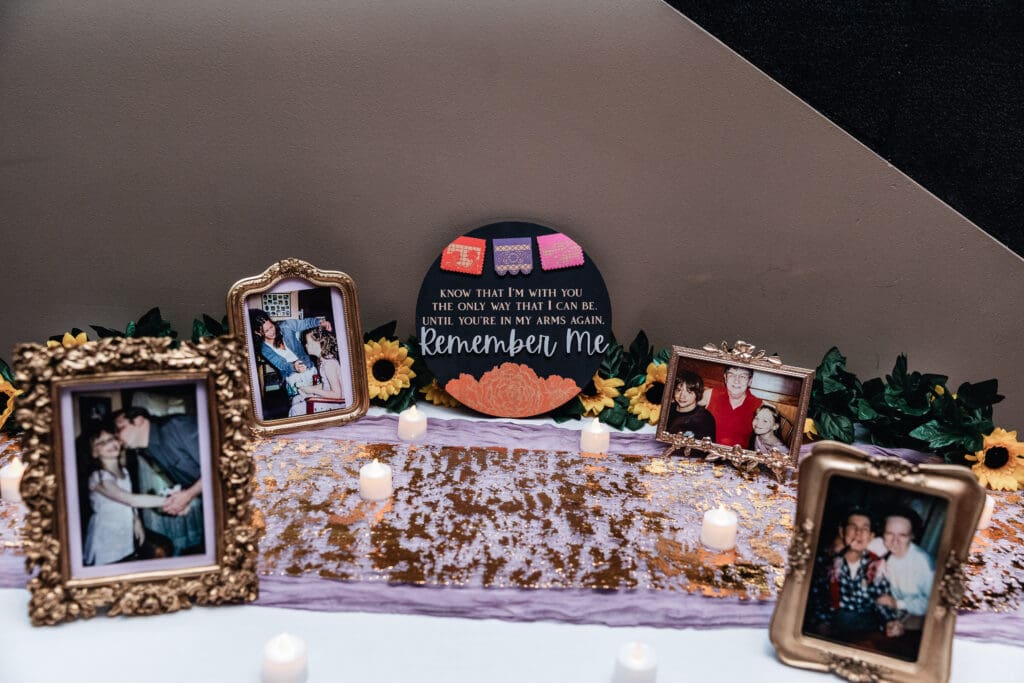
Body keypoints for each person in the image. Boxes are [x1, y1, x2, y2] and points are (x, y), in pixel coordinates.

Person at [113, 407, 204, 555]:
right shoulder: (148, 451)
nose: (117, 436)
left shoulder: (177, 426)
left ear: (139, 420)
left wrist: (189, 495)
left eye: (119, 428)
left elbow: (219, 462)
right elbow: (191, 480)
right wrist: (182, 499)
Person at [81, 422, 172, 566]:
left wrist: (137, 520)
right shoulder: (97, 477)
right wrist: (169, 500)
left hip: (124, 532)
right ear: (94, 452)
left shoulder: (125, 472)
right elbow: (130, 499)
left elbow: (129, 504)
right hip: (106, 538)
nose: (110, 444)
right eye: (103, 442)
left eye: (112, 439)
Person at [807, 508, 890, 639]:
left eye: (865, 529)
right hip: (832, 626)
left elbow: (881, 598)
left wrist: (889, 621)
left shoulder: (877, 565)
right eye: (853, 527)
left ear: (871, 536)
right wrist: (820, 621)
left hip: (866, 630)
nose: (858, 533)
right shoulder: (825, 562)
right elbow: (814, 597)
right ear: (842, 531)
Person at [873, 508, 935, 637]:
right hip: (890, 612)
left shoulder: (923, 563)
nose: (895, 540)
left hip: (918, 616)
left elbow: (933, 604)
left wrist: (897, 604)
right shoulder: (880, 546)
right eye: (889, 533)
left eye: (902, 535)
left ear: (912, 536)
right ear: (883, 534)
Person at [249, 308, 332, 389]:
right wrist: (294, 367)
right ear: (258, 333)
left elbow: (305, 323)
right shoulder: (264, 349)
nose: (271, 332)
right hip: (292, 376)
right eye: (266, 331)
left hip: (309, 367)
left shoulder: (285, 326)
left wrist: (320, 322)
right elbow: (281, 364)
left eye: (271, 327)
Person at [289, 327, 346, 415]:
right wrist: (308, 388)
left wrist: (313, 391)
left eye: (307, 342)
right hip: (330, 398)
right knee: (296, 399)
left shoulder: (329, 364)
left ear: (320, 342)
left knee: (296, 410)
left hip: (336, 403)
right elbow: (326, 384)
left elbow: (337, 395)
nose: (306, 345)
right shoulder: (323, 361)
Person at [701, 366, 762, 448]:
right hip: (706, 452)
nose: (736, 381)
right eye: (732, 375)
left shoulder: (759, 405)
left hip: (737, 458)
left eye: (743, 376)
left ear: (750, 381)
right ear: (725, 378)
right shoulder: (710, 395)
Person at [664, 371, 715, 440]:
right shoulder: (666, 409)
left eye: (689, 392)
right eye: (679, 390)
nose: (682, 396)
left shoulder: (705, 418)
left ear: (697, 394)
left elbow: (707, 447)